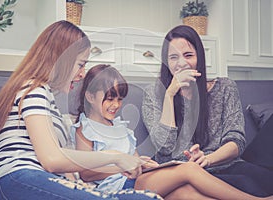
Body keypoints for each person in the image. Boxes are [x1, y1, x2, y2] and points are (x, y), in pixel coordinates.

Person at [0, 20, 162, 200]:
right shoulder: (33, 89)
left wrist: (79, 184)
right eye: (80, 64)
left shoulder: (47, 99)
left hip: (35, 180)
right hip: (18, 179)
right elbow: (51, 159)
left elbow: (61, 162)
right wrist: (114, 157)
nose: (82, 73)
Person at [72, 64, 273, 200]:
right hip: (116, 187)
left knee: (184, 194)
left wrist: (143, 163)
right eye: (109, 98)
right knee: (189, 169)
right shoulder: (85, 129)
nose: (115, 105)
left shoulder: (120, 127)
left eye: (120, 99)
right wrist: (122, 164)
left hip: (135, 179)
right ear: (90, 96)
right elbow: (86, 173)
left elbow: (134, 160)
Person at [141, 24, 273, 197]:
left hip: (224, 164)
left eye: (188, 55)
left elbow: (236, 140)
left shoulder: (225, 88)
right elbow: (165, 147)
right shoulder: (153, 94)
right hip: (183, 173)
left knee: (261, 181)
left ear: (200, 57)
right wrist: (170, 95)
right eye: (173, 57)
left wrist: (208, 159)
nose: (181, 63)